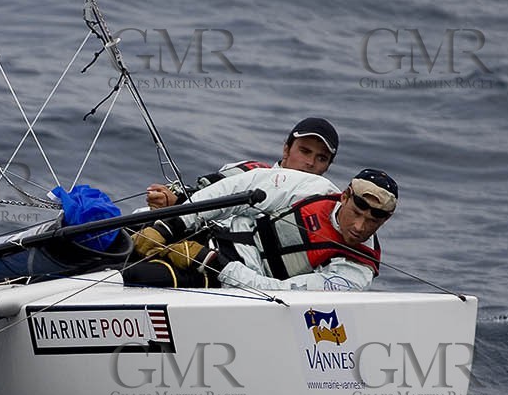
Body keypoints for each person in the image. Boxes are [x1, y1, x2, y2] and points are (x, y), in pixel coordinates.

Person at [126, 166, 397, 291]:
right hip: (209, 233)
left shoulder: (356, 270)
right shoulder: (314, 189)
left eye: (375, 220)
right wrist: (172, 225)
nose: (361, 227)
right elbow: (237, 189)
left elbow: (277, 292)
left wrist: (211, 263)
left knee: (138, 274)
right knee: (118, 239)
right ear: (346, 196)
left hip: (228, 275)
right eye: (357, 212)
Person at [144, 117, 339, 209]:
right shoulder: (249, 171)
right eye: (304, 151)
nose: (311, 162)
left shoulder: (325, 205)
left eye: (321, 158)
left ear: (328, 167)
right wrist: (173, 200)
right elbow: (207, 192)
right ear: (286, 149)